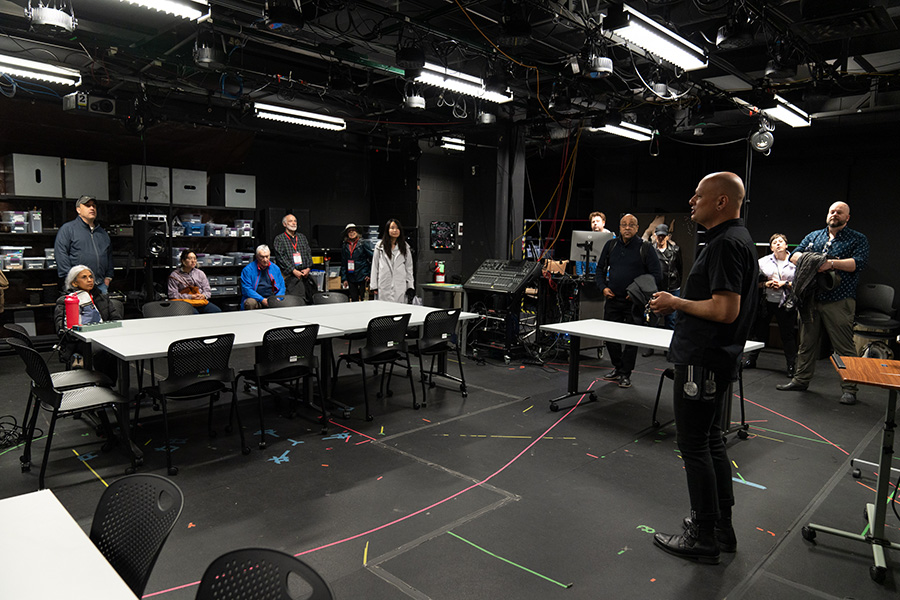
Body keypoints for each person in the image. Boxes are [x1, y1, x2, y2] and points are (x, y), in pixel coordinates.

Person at [648, 172, 758, 565]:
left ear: (722, 202)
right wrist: (679, 298)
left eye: (698, 195)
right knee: (711, 442)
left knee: (694, 445)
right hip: (714, 359)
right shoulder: (736, 240)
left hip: (703, 360)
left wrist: (675, 304)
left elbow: (725, 310)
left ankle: (702, 535)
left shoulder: (727, 244)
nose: (691, 201)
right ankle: (720, 527)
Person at [776, 202, 869, 404]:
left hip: (839, 300)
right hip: (810, 299)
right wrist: (814, 260)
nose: (834, 214)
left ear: (847, 217)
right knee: (806, 343)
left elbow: (858, 263)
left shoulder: (857, 238)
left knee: (844, 347)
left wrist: (831, 264)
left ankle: (850, 388)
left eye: (839, 212)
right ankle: (800, 380)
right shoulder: (814, 236)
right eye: (832, 211)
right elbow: (794, 255)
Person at [595, 213, 663, 388]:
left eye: (631, 225)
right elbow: (600, 269)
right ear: (619, 227)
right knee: (610, 338)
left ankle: (625, 374)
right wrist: (603, 287)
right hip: (612, 300)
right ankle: (618, 368)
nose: (627, 227)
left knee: (631, 341)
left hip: (634, 303)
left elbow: (656, 276)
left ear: (637, 228)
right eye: (623, 224)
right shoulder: (611, 245)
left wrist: (635, 292)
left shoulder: (646, 248)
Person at [54, 265, 122, 377]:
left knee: (110, 349)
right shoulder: (65, 301)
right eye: (84, 277)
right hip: (78, 342)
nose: (89, 280)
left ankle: (107, 383)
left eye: (91, 277)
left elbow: (116, 319)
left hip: (104, 337)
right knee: (102, 351)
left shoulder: (102, 298)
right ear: (74, 283)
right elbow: (61, 330)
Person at [744, 233, 797, 375]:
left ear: (786, 245)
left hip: (786, 303)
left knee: (788, 335)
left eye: (781, 241)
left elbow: (801, 284)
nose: (778, 244)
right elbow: (752, 283)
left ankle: (791, 366)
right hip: (766, 302)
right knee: (759, 333)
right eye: (774, 242)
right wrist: (766, 284)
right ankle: (752, 360)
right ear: (771, 246)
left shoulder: (794, 262)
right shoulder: (763, 261)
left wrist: (784, 284)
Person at [54, 195, 114, 295]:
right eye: (87, 206)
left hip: (100, 286)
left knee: (102, 310)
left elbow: (109, 256)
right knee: (79, 311)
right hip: (77, 287)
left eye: (93, 206)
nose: (92, 208)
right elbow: (61, 254)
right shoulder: (68, 229)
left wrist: (108, 277)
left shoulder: (102, 233)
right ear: (78, 210)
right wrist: (72, 279)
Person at [272, 214, 315, 304]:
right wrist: (293, 270)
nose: (293, 223)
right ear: (284, 224)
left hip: (305, 274)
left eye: (295, 221)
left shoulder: (302, 237)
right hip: (291, 276)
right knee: (297, 301)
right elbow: (281, 257)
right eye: (290, 221)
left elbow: (308, 253)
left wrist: (308, 268)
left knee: (311, 298)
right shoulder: (279, 239)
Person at [370, 218, 415, 304]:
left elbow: (409, 268)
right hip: (384, 284)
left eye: (397, 228)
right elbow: (375, 266)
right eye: (392, 228)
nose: (395, 230)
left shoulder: (405, 247)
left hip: (400, 285)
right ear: (387, 230)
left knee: (399, 310)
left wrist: (410, 286)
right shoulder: (380, 246)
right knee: (383, 310)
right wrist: (374, 286)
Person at [167, 250, 222, 314]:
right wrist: (191, 297)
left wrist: (203, 296)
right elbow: (172, 294)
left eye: (195, 258)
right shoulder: (174, 275)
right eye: (190, 258)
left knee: (217, 311)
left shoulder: (200, 273)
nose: (193, 261)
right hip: (184, 302)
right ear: (183, 261)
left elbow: (207, 290)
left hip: (199, 301)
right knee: (195, 315)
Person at [653, 223, 683, 330]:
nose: (661, 238)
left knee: (671, 320)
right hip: (656, 288)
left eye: (663, 236)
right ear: (655, 235)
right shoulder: (651, 250)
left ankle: (668, 345)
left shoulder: (675, 250)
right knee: (653, 319)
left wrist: (676, 284)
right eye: (659, 236)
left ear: (667, 236)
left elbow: (679, 268)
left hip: (672, 288)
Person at [240, 245, 286, 310]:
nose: (265, 260)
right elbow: (247, 290)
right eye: (262, 257)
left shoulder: (275, 268)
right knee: (250, 303)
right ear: (257, 257)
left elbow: (282, 286)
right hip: (256, 299)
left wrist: (277, 298)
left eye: (267, 257)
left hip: (272, 298)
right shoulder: (248, 270)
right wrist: (262, 300)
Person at [340, 223, 373, 301]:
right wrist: (344, 278)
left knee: (363, 298)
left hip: (363, 275)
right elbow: (343, 263)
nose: (352, 233)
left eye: (353, 231)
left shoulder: (363, 243)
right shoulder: (345, 246)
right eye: (349, 231)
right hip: (351, 276)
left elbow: (372, 258)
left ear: (357, 232)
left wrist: (369, 274)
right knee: (353, 298)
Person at [575, 211, 611, 276]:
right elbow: (578, 258)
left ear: (603, 223)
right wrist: (580, 275)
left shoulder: (611, 239)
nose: (595, 223)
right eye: (593, 222)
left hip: (605, 276)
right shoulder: (587, 239)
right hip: (588, 276)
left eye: (597, 221)